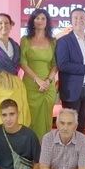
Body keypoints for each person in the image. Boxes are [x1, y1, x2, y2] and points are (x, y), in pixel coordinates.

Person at [55, 8, 85, 133]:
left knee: (82, 125)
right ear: (71, 21)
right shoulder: (64, 41)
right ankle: (67, 152)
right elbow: (62, 65)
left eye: (82, 17)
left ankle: (80, 152)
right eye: (75, 18)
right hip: (71, 90)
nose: (79, 20)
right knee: (68, 126)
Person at [20, 8, 57, 138]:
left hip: (48, 86)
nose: (40, 21)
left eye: (43, 18)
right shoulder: (25, 39)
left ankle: (45, 150)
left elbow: (55, 65)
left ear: (47, 22)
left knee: (46, 118)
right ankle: (31, 149)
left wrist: (48, 81)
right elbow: (23, 63)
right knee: (30, 117)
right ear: (32, 21)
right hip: (31, 85)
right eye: (37, 18)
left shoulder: (53, 41)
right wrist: (38, 80)